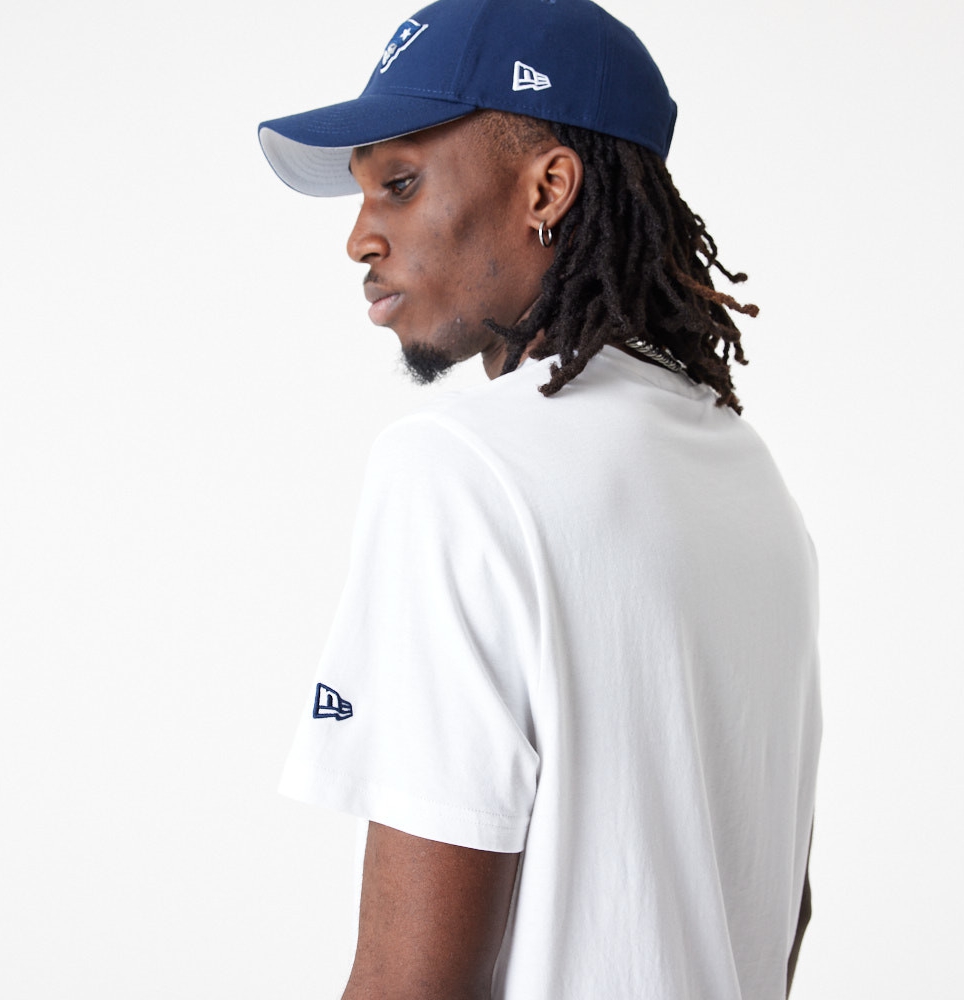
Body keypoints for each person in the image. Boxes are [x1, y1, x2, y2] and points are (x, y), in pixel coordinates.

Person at [258, 1, 821, 998]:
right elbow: (779, 904)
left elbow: (412, 978)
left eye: (399, 183)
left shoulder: (457, 468)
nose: (358, 238)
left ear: (547, 187)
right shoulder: (747, 476)